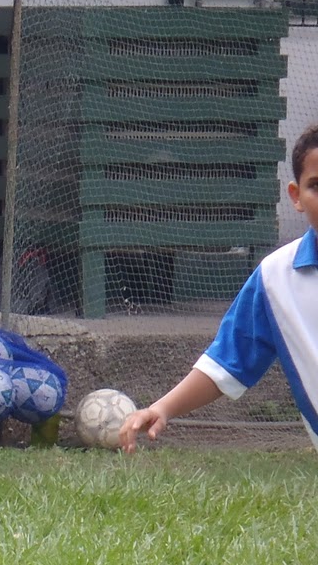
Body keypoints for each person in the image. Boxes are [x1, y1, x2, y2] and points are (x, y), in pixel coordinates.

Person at [120, 124, 318, 456]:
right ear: (296, 196)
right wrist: (162, 409)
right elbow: (228, 362)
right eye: (317, 186)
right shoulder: (275, 279)